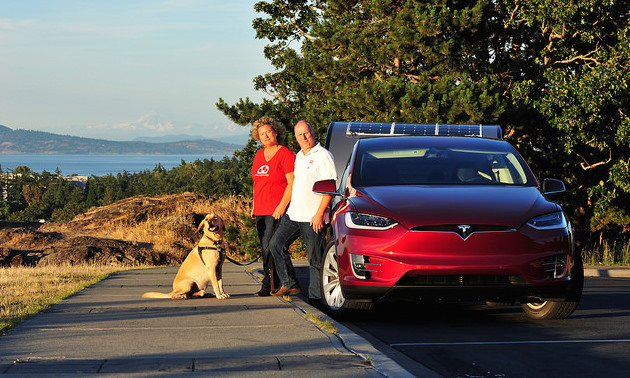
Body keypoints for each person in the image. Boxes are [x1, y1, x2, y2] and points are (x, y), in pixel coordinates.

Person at [268, 120, 336, 304]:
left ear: (313, 132)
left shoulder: (323, 155)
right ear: (296, 137)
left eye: (306, 133)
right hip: (294, 214)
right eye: (300, 134)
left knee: (315, 260)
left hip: (313, 217)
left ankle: (317, 299)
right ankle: (289, 283)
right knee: (275, 244)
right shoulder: (299, 155)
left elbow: (330, 188)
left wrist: (320, 213)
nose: (304, 137)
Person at [250, 116, 296, 296]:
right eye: (262, 134)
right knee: (264, 246)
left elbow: (292, 183)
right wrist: (254, 206)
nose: (266, 135)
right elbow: (257, 183)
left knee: (270, 246)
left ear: (276, 132)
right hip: (260, 208)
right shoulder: (259, 155)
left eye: (269, 131)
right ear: (258, 137)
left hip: (276, 209)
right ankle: (277, 280)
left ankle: (269, 282)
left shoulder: (285, 153)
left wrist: (281, 207)